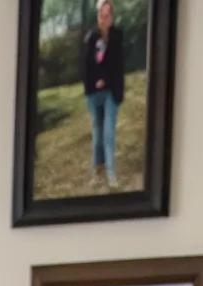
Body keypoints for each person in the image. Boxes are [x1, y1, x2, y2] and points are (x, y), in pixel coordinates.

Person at [83, 0, 125, 190]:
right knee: (97, 134)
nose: (104, 18)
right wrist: (95, 81)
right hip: (93, 92)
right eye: (101, 14)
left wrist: (105, 80)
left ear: (112, 17)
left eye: (108, 15)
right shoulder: (91, 37)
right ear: (97, 15)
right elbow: (85, 66)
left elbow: (118, 65)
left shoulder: (117, 36)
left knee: (108, 134)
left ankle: (111, 174)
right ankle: (97, 172)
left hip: (110, 91)